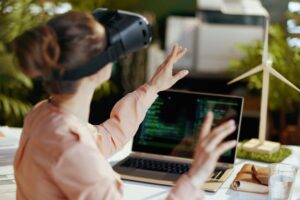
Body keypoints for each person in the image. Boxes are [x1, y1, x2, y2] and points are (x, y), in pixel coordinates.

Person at [13, 11, 237, 200]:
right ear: (95, 70)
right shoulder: (73, 150)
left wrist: (152, 88)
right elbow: (81, 153)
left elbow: (105, 139)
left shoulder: (43, 115)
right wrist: (195, 177)